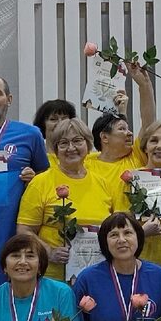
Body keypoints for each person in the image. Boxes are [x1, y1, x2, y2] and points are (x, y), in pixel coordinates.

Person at [18, 118, 114, 280]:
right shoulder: (40, 182)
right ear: (56, 150)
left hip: (96, 277)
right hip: (53, 277)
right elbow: (24, 231)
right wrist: (49, 252)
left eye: (77, 141)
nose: (71, 148)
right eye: (63, 143)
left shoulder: (103, 183)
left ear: (88, 144)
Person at [114, 120, 161, 269]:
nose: (159, 146)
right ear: (145, 148)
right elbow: (119, 225)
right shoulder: (130, 180)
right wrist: (142, 232)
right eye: (154, 141)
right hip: (139, 264)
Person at [86, 63, 157, 176]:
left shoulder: (136, 156)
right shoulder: (85, 164)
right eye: (122, 129)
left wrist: (144, 84)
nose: (130, 133)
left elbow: (148, 123)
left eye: (127, 129)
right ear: (104, 137)